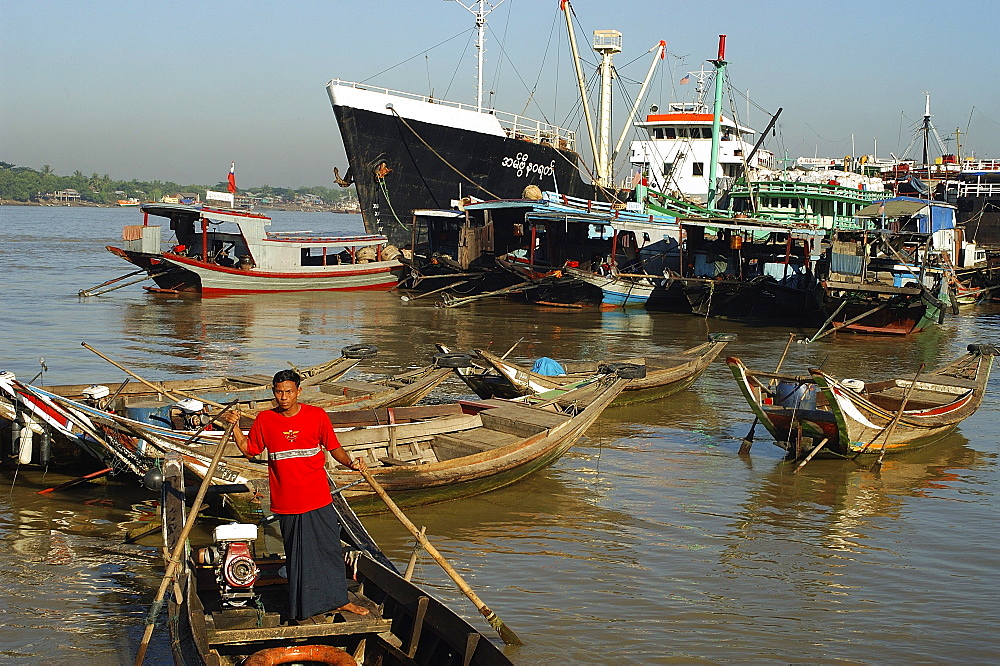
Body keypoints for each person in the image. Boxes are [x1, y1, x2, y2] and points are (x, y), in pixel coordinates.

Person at [226, 369, 370, 622]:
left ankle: (340, 601)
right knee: (297, 555)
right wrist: (235, 427)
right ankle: (304, 606)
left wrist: (351, 464)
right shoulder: (265, 420)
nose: (284, 397)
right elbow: (250, 450)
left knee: (328, 550)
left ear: (298, 392)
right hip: (287, 501)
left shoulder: (317, 416)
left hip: (317, 497)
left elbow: (334, 447)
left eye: (289, 392)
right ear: (274, 393)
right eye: (279, 392)